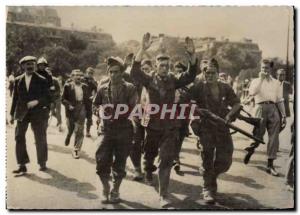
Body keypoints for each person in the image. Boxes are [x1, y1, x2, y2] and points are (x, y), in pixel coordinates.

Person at [131, 33, 198, 207]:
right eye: (161, 65)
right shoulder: (148, 79)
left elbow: (190, 76)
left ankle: (163, 195)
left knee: (166, 160)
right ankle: (147, 169)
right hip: (152, 125)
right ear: (156, 66)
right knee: (150, 153)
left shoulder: (173, 80)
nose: (164, 68)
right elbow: (134, 71)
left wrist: (192, 55)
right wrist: (142, 49)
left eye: (167, 66)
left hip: (169, 126)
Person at [188, 58, 241, 204]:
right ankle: (208, 189)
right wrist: (197, 112)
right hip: (205, 127)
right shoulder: (198, 87)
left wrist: (230, 115)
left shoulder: (225, 87)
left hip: (222, 126)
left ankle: (210, 175)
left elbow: (237, 103)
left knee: (225, 159)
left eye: (212, 72)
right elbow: (188, 104)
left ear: (218, 73)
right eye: (206, 72)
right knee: (207, 157)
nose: (209, 75)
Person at [93, 57, 137, 204]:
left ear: (122, 72)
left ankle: (115, 190)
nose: (113, 75)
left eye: (116, 72)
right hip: (106, 130)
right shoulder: (102, 88)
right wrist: (99, 113)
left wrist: (117, 113)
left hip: (123, 130)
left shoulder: (129, 88)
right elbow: (95, 105)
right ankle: (105, 188)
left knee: (120, 163)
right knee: (101, 161)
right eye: (111, 72)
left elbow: (132, 109)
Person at [10, 56, 51, 173]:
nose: (30, 66)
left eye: (32, 64)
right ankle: (22, 164)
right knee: (19, 137)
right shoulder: (18, 80)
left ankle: (42, 162)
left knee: (40, 137)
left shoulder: (42, 80)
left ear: (35, 66)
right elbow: (15, 98)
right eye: (27, 64)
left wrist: (37, 101)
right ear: (22, 66)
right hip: (22, 113)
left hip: (38, 113)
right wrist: (11, 114)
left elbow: (48, 97)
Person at [248, 59, 286, 176]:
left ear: (271, 69)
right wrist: (261, 80)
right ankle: (251, 149)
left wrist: (283, 115)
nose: (264, 70)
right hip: (260, 108)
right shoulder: (255, 81)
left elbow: (279, 100)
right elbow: (252, 93)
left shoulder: (276, 83)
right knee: (258, 135)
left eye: (267, 68)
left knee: (274, 137)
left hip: (273, 108)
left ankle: (270, 165)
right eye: (262, 68)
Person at [129, 58, 153, 181]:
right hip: (137, 113)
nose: (144, 72)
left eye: (147, 70)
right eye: (142, 70)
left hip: (151, 114)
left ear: (151, 71)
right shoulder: (134, 81)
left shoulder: (154, 81)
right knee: (135, 142)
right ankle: (137, 169)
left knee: (151, 143)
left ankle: (147, 165)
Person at [62, 69, 90, 159]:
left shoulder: (85, 86)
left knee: (80, 129)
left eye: (80, 75)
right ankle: (69, 135)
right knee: (71, 128)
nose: (78, 77)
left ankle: (76, 149)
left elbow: (88, 99)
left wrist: (89, 112)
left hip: (81, 107)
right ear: (72, 77)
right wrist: (68, 105)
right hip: (71, 109)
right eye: (76, 75)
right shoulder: (67, 86)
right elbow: (63, 99)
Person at [172, 61, 191, 174]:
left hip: (184, 115)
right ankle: (175, 159)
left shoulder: (189, 85)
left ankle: (176, 156)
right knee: (174, 136)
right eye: (176, 71)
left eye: (180, 71)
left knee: (180, 137)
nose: (178, 74)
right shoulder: (172, 82)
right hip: (172, 114)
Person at [82, 67, 98, 137]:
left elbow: (98, 90)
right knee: (79, 116)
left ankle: (87, 131)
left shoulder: (93, 82)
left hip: (88, 101)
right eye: (88, 73)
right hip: (80, 100)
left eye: (91, 73)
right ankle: (78, 130)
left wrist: (93, 96)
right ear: (86, 73)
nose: (89, 74)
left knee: (89, 117)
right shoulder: (81, 80)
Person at [46, 67, 62, 132]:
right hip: (50, 99)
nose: (48, 74)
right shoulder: (44, 80)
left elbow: (59, 90)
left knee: (58, 112)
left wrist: (54, 94)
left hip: (57, 98)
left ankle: (60, 124)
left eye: (49, 72)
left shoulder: (55, 80)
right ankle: (59, 120)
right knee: (52, 112)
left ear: (51, 73)